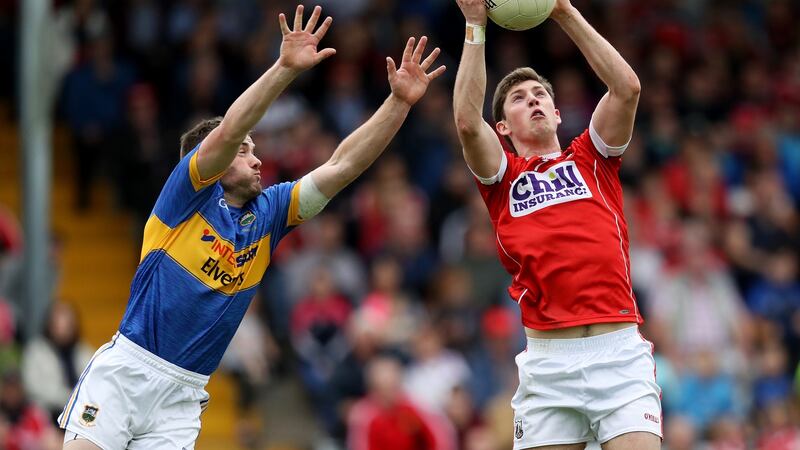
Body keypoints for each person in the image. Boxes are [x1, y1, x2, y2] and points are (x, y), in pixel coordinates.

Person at [57, 5, 446, 449]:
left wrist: (397, 103)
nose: (257, 158)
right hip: (128, 371)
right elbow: (229, 129)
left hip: (183, 394)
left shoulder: (271, 213)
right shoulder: (186, 196)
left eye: (255, 150)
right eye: (244, 151)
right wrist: (283, 68)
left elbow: (343, 165)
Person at [452, 1, 660, 449]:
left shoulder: (592, 158)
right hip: (549, 362)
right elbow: (468, 124)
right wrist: (475, 27)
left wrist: (564, 11)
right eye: (519, 99)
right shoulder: (502, 179)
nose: (533, 100)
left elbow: (626, 87)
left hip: (619, 352)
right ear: (504, 127)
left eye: (540, 94)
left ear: (559, 112)